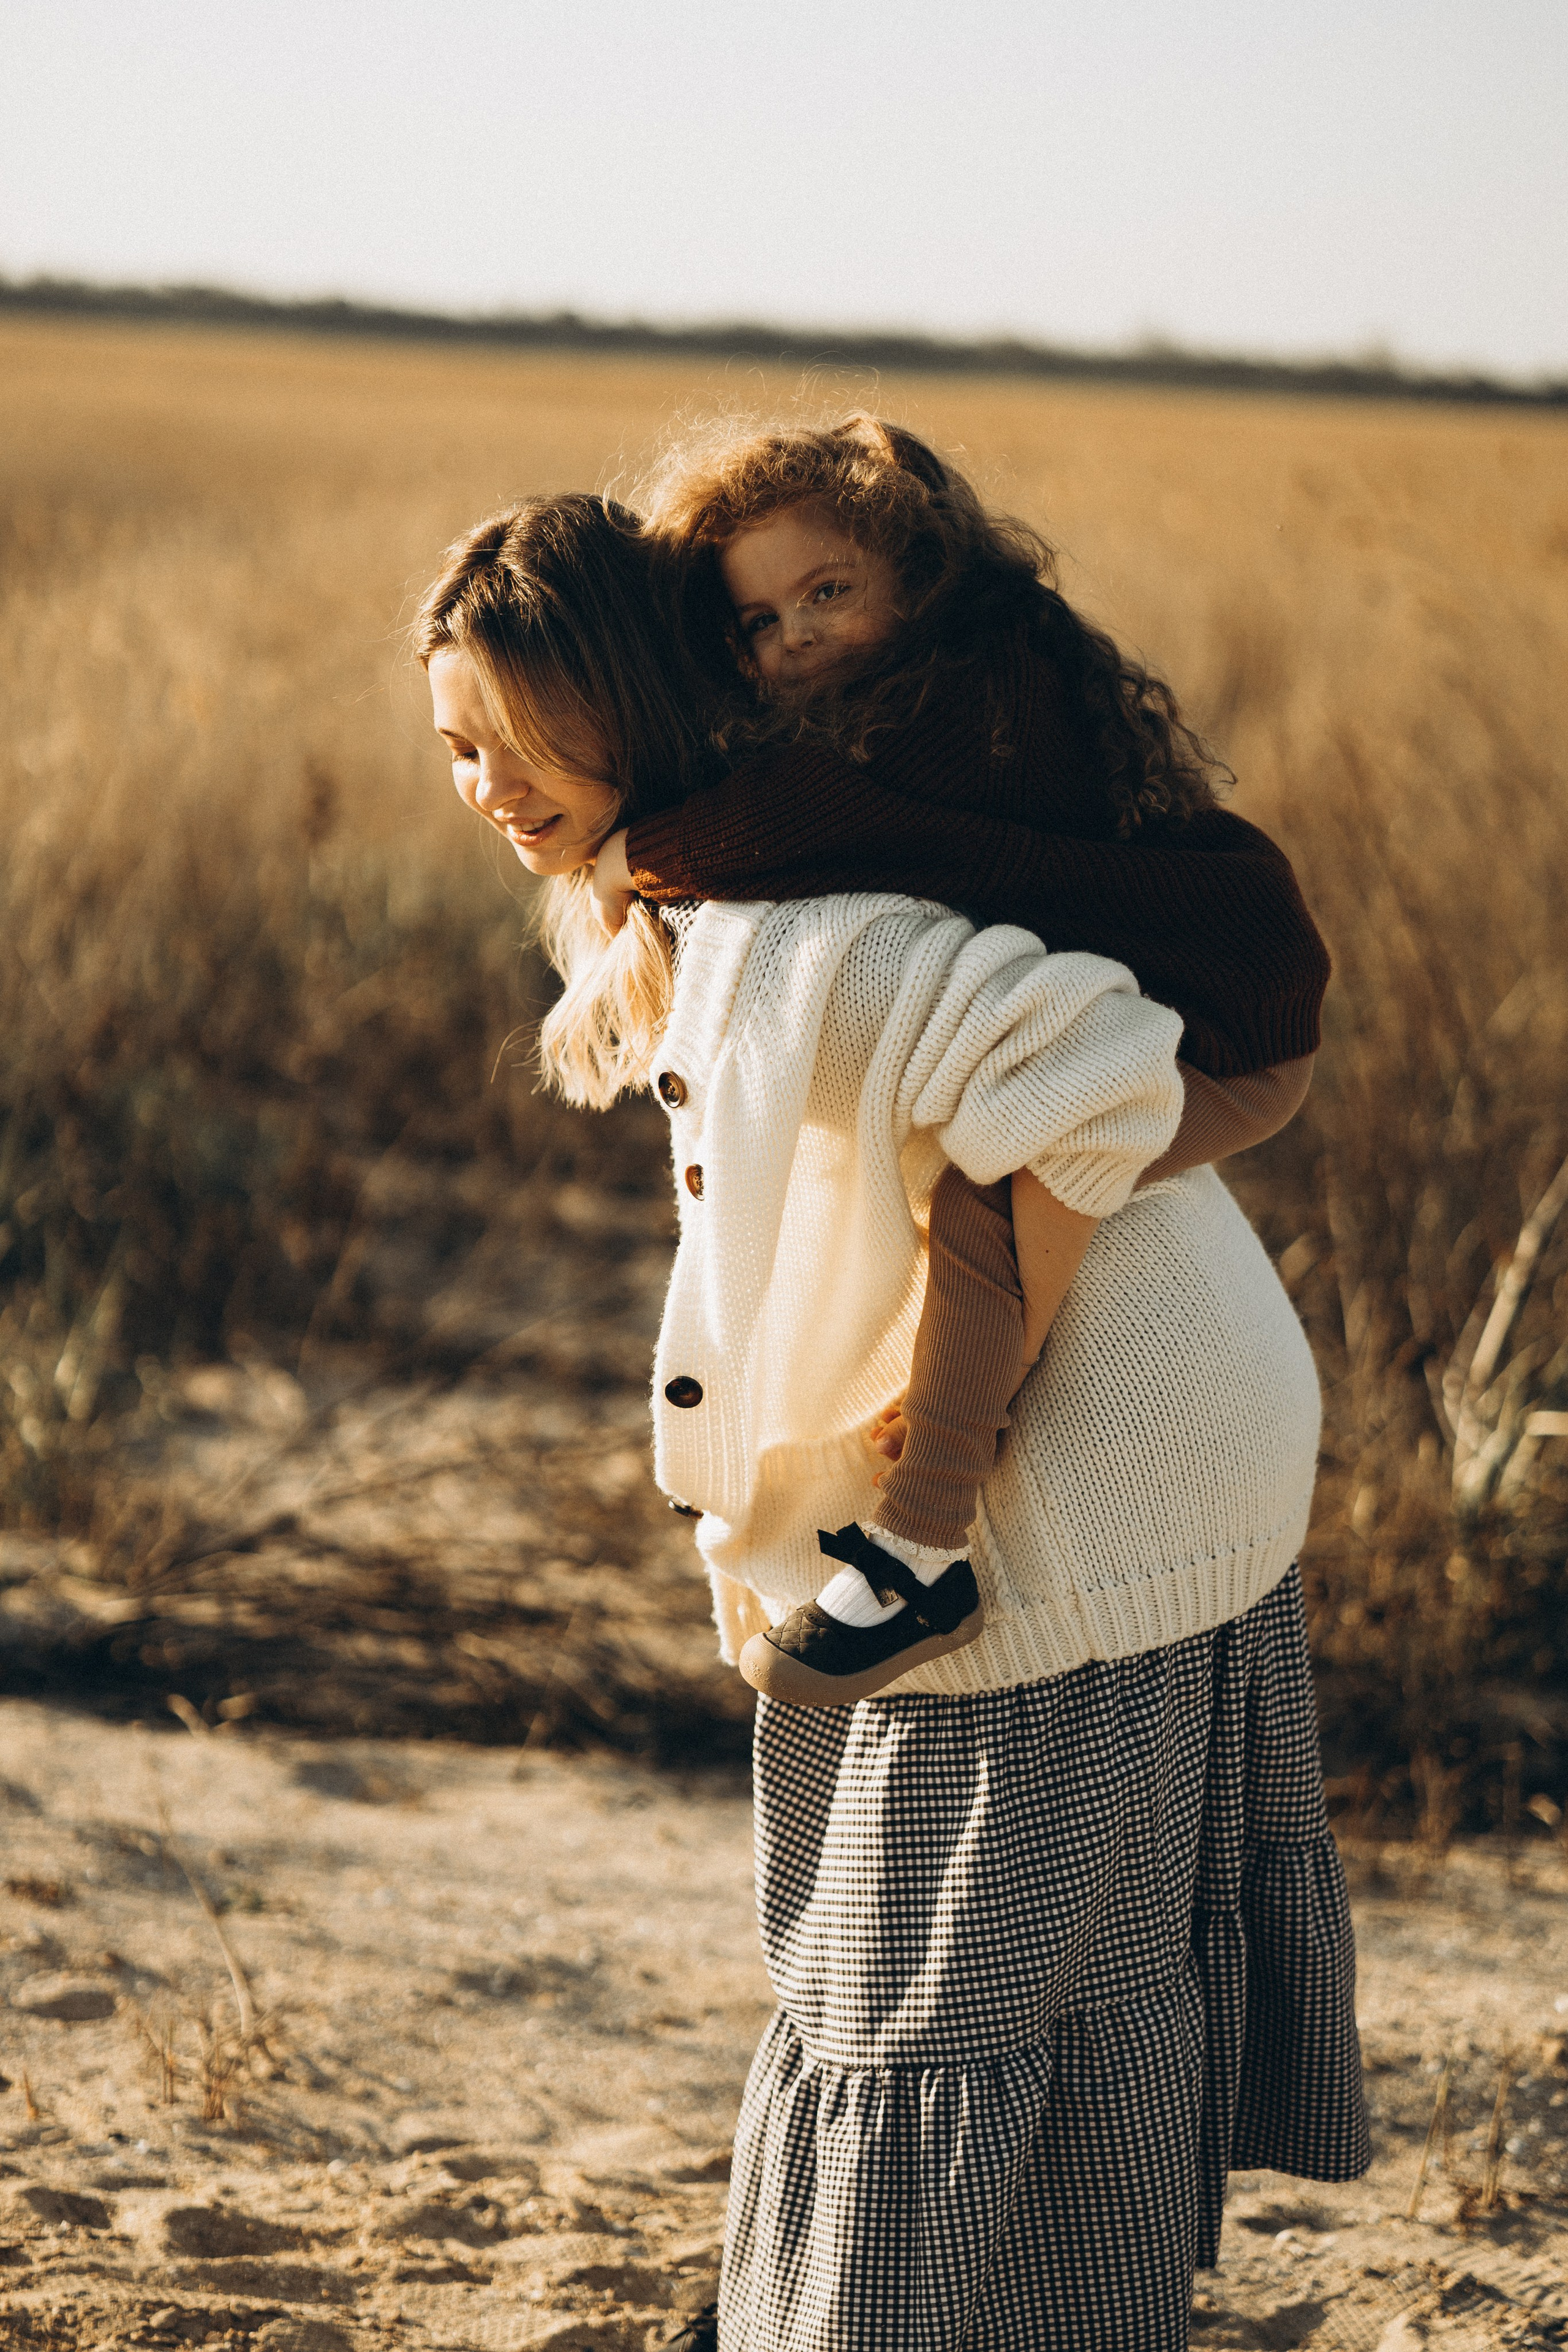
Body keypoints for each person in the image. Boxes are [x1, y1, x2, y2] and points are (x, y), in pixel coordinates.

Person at [413, 491, 1369, 2352]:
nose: (492, 783)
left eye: (528, 736)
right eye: (458, 743)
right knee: (970, 1988)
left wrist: (941, 1461)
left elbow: (1101, 1066)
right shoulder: (714, 890)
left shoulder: (799, 925)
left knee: (926, 2007)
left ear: (636, 701)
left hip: (1091, 1484)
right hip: (1129, 1454)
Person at [589, 415, 1330, 1704]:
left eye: (827, 591)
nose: (795, 636)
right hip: (1166, 996)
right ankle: (952, 1404)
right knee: (989, 1178)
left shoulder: (975, 695)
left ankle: (922, 1540)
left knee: (992, 1185)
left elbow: (817, 828)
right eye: (756, 625)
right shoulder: (893, 703)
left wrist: (623, 847)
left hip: (1230, 1023)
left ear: (917, 578)